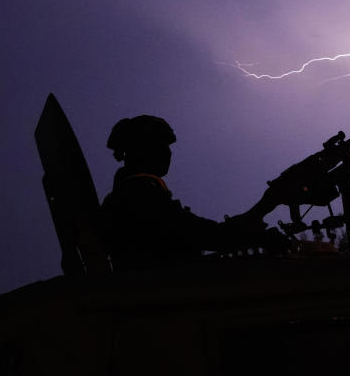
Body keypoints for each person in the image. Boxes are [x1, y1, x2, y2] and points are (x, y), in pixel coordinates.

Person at [99, 114, 274, 269]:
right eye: (161, 145)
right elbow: (192, 231)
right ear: (143, 148)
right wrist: (252, 237)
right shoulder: (139, 192)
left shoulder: (128, 191)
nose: (168, 153)